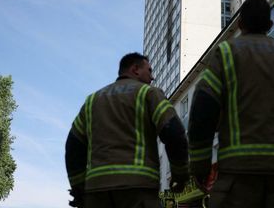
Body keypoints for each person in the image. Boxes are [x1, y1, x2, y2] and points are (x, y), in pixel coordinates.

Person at [187, 0, 274, 208]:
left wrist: (200, 165)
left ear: (240, 24)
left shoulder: (226, 54)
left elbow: (202, 110)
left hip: (239, 176)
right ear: (270, 25)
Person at [65, 53, 189, 208]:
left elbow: (73, 148)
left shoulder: (92, 101)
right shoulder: (149, 93)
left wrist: (78, 188)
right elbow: (174, 133)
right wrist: (180, 175)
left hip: (96, 192)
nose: (153, 77)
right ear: (135, 69)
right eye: (149, 71)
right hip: (138, 190)